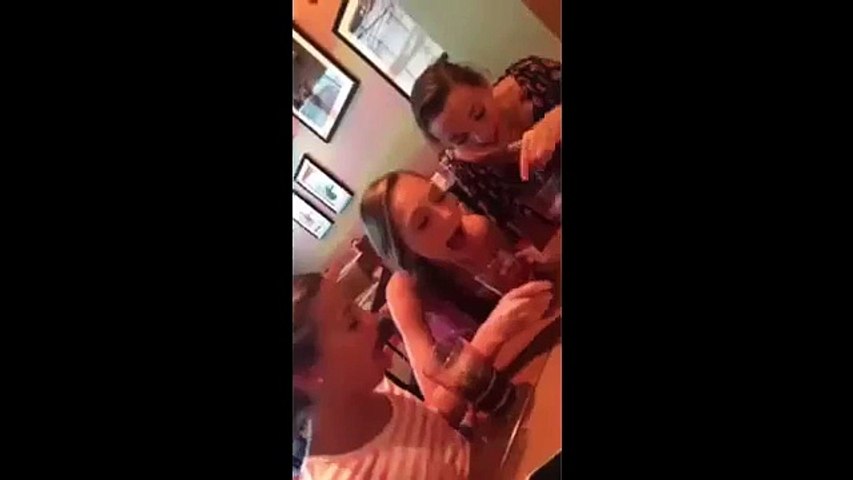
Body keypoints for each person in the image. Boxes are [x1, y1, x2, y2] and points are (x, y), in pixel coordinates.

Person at [360, 169, 556, 423]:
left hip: (540, 366)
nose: (447, 214)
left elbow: (533, 303)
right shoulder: (404, 292)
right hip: (501, 414)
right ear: (405, 251)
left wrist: (528, 271)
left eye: (440, 197)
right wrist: (491, 334)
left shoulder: (477, 230)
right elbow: (439, 410)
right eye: (423, 223)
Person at [293, 269, 480, 479]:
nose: (373, 320)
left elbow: (435, 445)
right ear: (307, 376)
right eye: (352, 322)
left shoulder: (381, 389)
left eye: (358, 307)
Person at [410, 54, 562, 246]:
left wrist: (557, 120)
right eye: (461, 139)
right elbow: (523, 237)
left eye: (479, 114)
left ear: (484, 85)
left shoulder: (533, 78)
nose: (484, 136)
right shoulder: (467, 172)